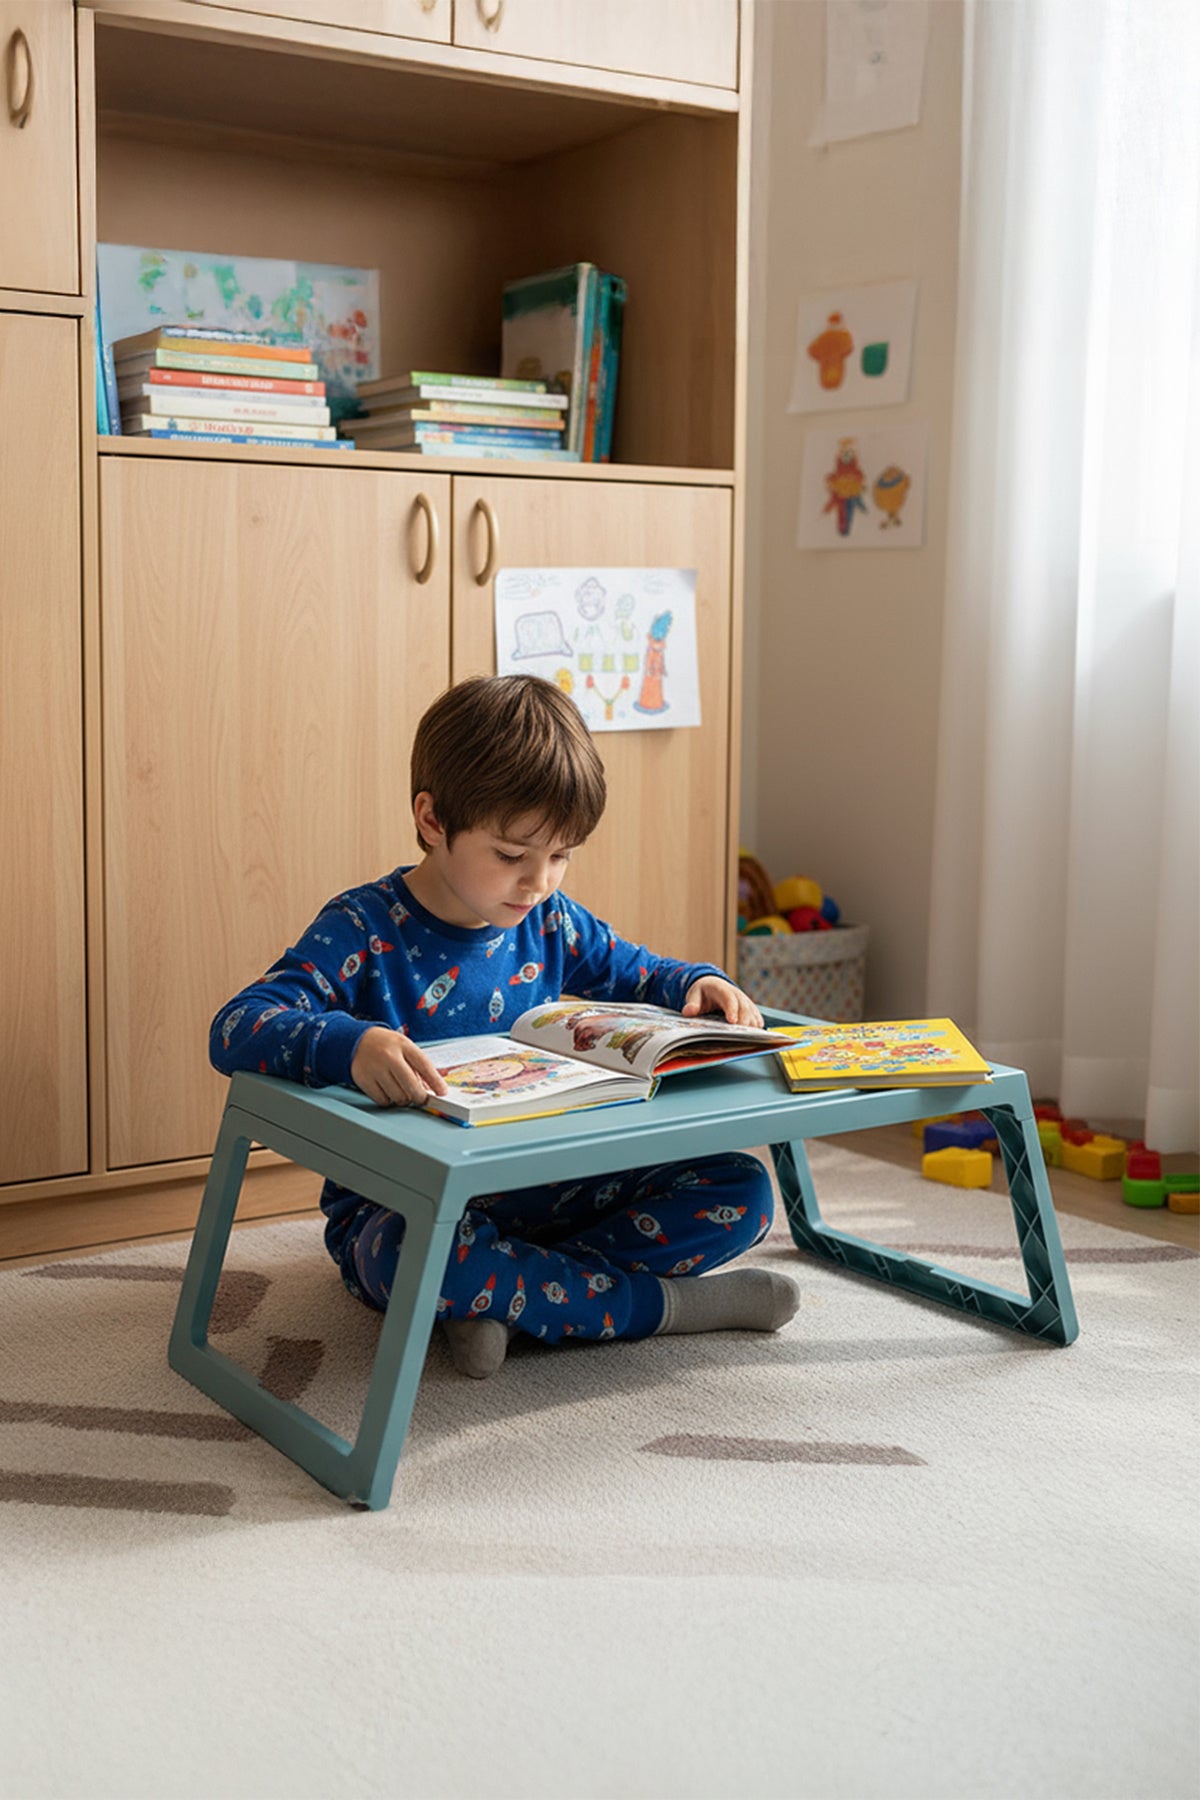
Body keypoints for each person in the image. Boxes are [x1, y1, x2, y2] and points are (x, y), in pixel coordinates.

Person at [210, 674, 799, 1378]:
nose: (540, 882)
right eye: (513, 856)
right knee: (410, 1259)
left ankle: (505, 1302)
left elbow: (644, 974)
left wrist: (701, 983)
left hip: (559, 1185)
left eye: (561, 855)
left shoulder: (552, 921)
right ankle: (667, 1307)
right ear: (433, 821)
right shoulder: (362, 927)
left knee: (744, 1191)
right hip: (406, 1207)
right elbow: (237, 1025)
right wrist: (348, 1044)